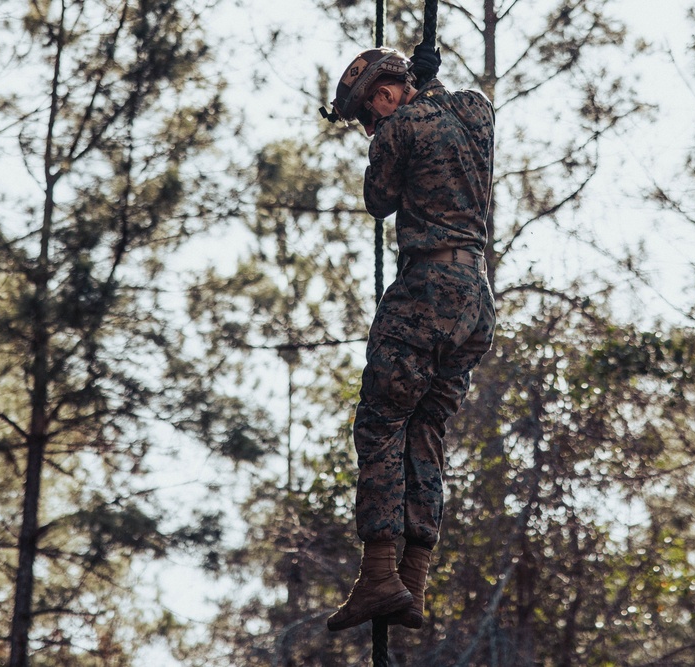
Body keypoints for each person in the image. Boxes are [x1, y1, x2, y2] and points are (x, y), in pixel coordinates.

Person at [321, 46, 496, 632]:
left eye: (367, 112)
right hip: (476, 296)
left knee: (380, 421)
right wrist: (427, 83)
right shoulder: (475, 110)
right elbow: (448, 116)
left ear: (384, 95)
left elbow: (379, 200)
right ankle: (413, 579)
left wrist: (389, 127)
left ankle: (377, 576)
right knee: (425, 426)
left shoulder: (394, 130)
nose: (370, 125)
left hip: (427, 287)